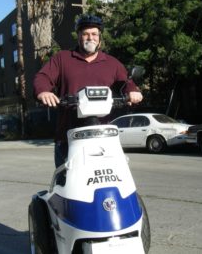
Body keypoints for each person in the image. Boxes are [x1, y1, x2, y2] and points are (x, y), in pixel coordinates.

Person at [34, 14, 143, 168]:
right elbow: (43, 76)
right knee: (67, 185)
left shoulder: (112, 63)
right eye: (85, 33)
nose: (90, 38)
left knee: (110, 179)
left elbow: (126, 82)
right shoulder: (62, 58)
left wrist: (133, 91)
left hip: (102, 136)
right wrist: (43, 91)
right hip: (69, 137)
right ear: (78, 36)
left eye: (94, 34)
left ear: (99, 37)